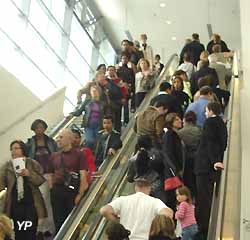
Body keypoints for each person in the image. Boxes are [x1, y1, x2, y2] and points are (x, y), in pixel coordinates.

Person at [0, 140, 47, 240]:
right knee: (17, 232)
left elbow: (40, 180)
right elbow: (1, 184)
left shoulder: (32, 163)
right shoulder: (7, 166)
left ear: (23, 150)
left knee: (30, 232)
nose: (14, 151)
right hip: (14, 204)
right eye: (12, 149)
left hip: (31, 204)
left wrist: (29, 174)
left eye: (16, 148)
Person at [100, 178, 173, 240]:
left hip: (126, 237)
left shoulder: (123, 200)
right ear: (149, 188)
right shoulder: (155, 202)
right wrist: (158, 225)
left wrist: (118, 221)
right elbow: (168, 213)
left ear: (135, 187)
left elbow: (104, 210)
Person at [195, 102, 228, 239]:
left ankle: (204, 230)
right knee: (208, 197)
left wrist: (215, 160)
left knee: (203, 199)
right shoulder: (221, 123)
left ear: (210, 111)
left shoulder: (210, 123)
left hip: (204, 166)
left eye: (206, 111)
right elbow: (221, 143)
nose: (204, 114)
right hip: (211, 165)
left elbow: (210, 142)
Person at [48, 129, 88, 233]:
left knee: (72, 220)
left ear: (69, 139)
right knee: (58, 220)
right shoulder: (54, 156)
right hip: (57, 191)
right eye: (58, 137)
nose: (58, 140)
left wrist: (80, 194)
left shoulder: (79, 154)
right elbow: (50, 174)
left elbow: (83, 175)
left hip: (71, 191)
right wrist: (51, 188)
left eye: (61, 137)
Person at [26, 119, 57, 238]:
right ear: (33, 129)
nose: (39, 130)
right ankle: (40, 228)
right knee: (38, 202)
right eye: (37, 128)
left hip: (49, 174)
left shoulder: (50, 141)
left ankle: (47, 228)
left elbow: (56, 154)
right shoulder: (30, 143)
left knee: (47, 201)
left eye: (41, 127)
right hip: (36, 176)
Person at [72, 85, 105, 150]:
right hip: (88, 125)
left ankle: (95, 157)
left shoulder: (103, 103)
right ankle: (87, 154)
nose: (94, 93)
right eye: (92, 91)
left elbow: (107, 114)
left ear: (99, 92)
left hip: (99, 125)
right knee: (90, 141)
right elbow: (79, 111)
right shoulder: (87, 102)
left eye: (95, 91)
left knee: (97, 143)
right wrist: (72, 114)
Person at [162, 113, 183, 211]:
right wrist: (174, 169)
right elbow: (168, 153)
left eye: (179, 119)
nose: (180, 121)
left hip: (175, 170)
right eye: (176, 120)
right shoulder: (169, 135)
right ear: (171, 123)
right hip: (173, 172)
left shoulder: (174, 134)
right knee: (174, 197)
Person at [178, 111, 201, 197]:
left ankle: (191, 197)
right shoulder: (199, 130)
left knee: (189, 180)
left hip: (186, 159)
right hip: (198, 158)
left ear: (184, 120)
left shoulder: (180, 133)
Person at [117, 52, 136, 117]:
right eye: (123, 58)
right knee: (123, 106)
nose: (124, 60)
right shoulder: (118, 70)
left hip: (128, 88)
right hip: (120, 89)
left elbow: (133, 79)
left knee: (126, 105)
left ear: (128, 60)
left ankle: (126, 120)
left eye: (126, 58)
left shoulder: (130, 70)